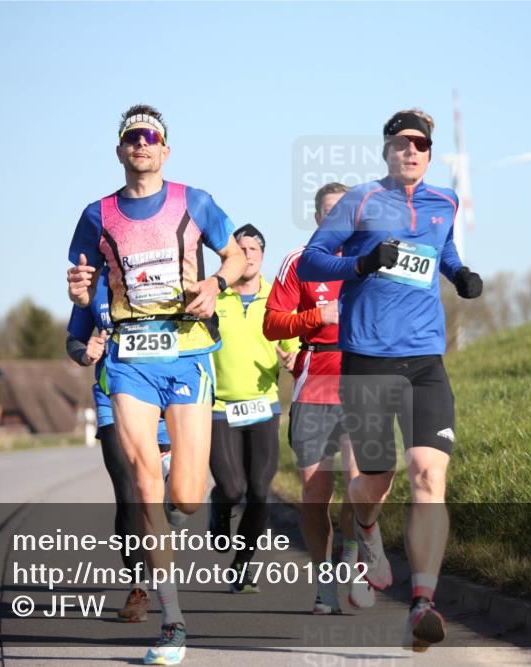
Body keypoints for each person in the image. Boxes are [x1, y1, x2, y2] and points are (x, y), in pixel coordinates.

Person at [297, 109, 483, 652]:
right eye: (402, 144)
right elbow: (312, 261)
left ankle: (423, 601)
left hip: (426, 360)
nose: (411, 152)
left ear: (429, 153)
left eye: (421, 145)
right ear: (386, 150)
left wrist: (460, 274)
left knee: (428, 474)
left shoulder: (444, 202)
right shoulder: (359, 200)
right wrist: (359, 265)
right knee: (374, 477)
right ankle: (367, 529)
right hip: (368, 357)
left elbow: (442, 250)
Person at [67, 105, 246, 666]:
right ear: (119, 151)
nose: (140, 144)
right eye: (130, 137)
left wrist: (217, 282)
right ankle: (172, 623)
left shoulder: (195, 200)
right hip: (128, 356)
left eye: (150, 136)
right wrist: (77, 293)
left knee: (187, 497)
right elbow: (81, 281)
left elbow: (237, 254)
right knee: (145, 481)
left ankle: (178, 495)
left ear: (166, 149)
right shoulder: (97, 215)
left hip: (188, 350)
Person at [263, 183, 380, 615]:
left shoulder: (374, 262)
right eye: (330, 215)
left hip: (361, 381)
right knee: (316, 497)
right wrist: (318, 316)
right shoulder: (299, 262)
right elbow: (272, 324)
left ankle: (352, 556)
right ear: (317, 221)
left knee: (359, 485)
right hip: (314, 384)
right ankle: (324, 584)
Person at [65, 266, 173, 624]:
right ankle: (139, 587)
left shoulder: (166, 274)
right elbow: (74, 339)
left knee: (160, 498)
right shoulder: (94, 286)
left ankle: (162, 529)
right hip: (113, 398)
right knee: (129, 493)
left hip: (163, 399)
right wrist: (85, 351)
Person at [207, 224, 299, 592]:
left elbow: (293, 346)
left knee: (259, 491)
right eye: (239, 249)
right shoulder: (214, 297)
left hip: (264, 406)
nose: (247, 255)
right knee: (232, 487)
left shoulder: (277, 299)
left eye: (253, 250)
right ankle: (219, 503)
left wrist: (294, 361)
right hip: (219, 407)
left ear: (262, 255)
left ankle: (242, 566)